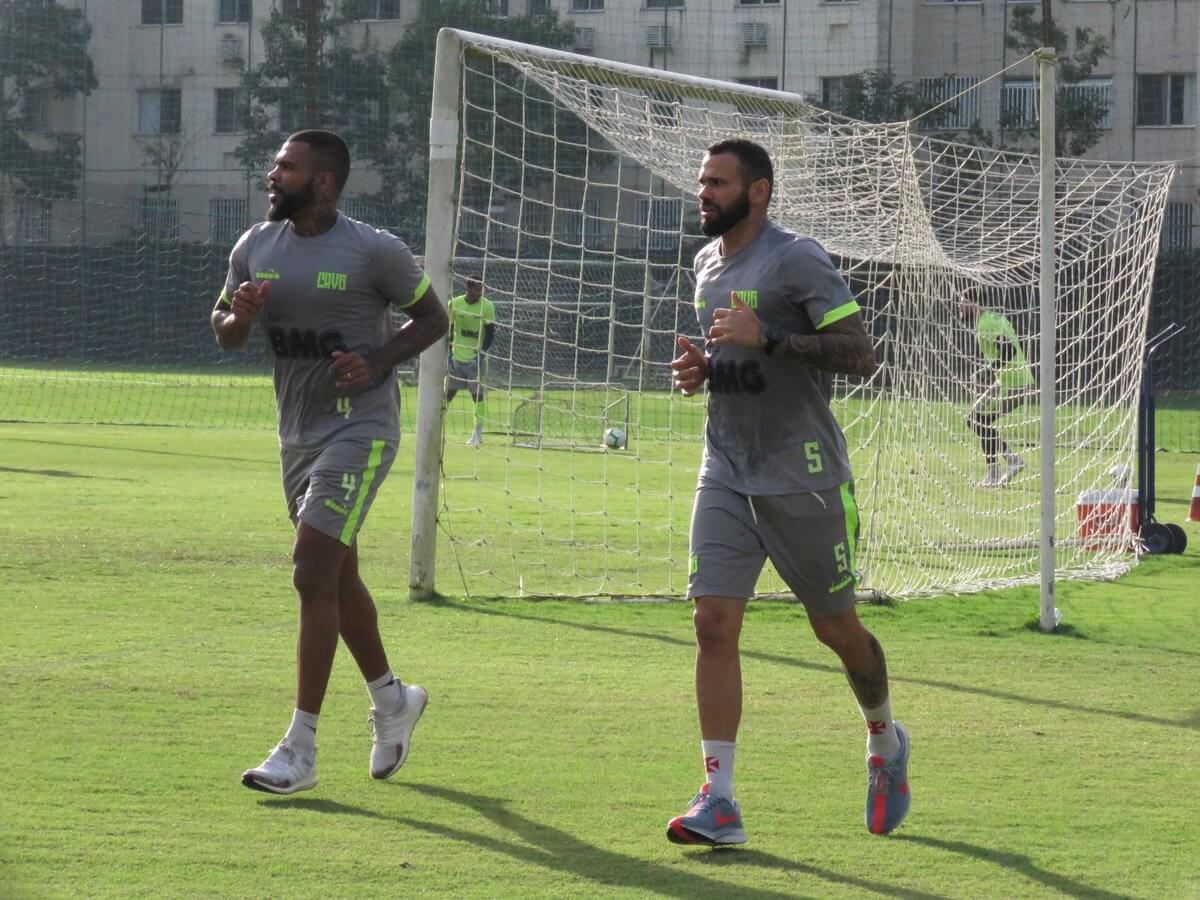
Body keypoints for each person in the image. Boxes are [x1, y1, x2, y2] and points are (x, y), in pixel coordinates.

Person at [667, 138, 909, 845]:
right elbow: (734, 354)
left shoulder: (798, 257)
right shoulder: (705, 262)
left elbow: (862, 357)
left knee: (836, 629)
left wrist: (770, 337)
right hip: (726, 469)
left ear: (760, 191)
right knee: (712, 621)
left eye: (717, 182)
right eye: (701, 181)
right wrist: (705, 369)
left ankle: (885, 739)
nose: (704, 193)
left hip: (802, 475)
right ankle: (720, 799)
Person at [210, 129, 448, 795]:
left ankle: (301, 747)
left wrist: (375, 361)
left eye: (285, 167)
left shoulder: (375, 250)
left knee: (311, 570)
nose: (271, 175)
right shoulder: (255, 246)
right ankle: (393, 700)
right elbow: (224, 329)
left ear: (322, 181)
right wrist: (241, 316)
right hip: (297, 437)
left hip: (360, 429)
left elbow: (434, 320)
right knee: (337, 578)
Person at [958, 299, 1033, 487]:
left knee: (977, 420)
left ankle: (1010, 462)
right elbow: (1017, 345)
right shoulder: (993, 318)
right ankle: (997, 471)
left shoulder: (987, 323)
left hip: (1014, 384)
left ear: (975, 303)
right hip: (1007, 381)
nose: (959, 307)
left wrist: (986, 371)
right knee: (975, 419)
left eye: (962, 303)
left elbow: (1008, 349)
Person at [446, 277, 496, 446]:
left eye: (481, 289)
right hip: (457, 359)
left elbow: (490, 333)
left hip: (476, 360)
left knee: (477, 396)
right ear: (467, 288)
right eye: (476, 289)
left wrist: (481, 355)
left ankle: (477, 434)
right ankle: (436, 427)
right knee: (447, 394)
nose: (479, 293)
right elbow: (450, 330)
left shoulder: (487, 306)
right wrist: (448, 354)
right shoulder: (454, 304)